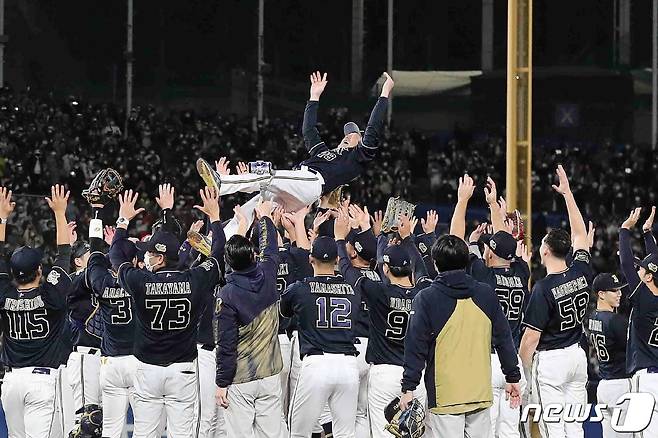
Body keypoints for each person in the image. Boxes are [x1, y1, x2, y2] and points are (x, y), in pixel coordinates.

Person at [196, 71, 394, 237]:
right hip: (299, 190)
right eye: (347, 133)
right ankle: (217, 240)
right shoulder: (326, 154)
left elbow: (373, 128)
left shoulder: (357, 158)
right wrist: (314, 97)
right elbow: (309, 132)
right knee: (255, 205)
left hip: (312, 183)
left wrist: (384, 94)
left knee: (269, 176)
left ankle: (223, 183)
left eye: (353, 134)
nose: (348, 136)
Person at [110, 185, 225, 437]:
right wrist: (215, 217)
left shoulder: (141, 280)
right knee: (181, 434)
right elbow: (217, 255)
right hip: (183, 370)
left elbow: (116, 254)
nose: (147, 255)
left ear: (160, 259)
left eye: (150, 252)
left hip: (148, 369)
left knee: (145, 432)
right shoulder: (195, 279)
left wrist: (122, 221)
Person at [400, 232, 522, 438]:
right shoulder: (486, 294)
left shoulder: (427, 298)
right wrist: (512, 376)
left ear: (436, 264)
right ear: (466, 262)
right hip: (479, 392)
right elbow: (504, 338)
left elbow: (415, 347)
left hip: (445, 396)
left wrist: (408, 387)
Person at [336, 211, 430, 438]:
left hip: (385, 373)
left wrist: (340, 240)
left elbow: (348, 272)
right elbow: (422, 269)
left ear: (386, 270)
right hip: (417, 374)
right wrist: (408, 239)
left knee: (383, 433)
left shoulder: (379, 291)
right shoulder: (424, 292)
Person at [451, 175, 530, 438]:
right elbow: (505, 242)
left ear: (490, 253)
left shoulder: (483, 278)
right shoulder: (522, 271)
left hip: (484, 362)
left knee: (481, 432)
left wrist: (464, 201)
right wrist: (493, 204)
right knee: (509, 432)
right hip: (512, 362)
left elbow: (454, 242)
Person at [519, 165, 592, 438]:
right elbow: (581, 235)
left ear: (545, 250)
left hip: (551, 361)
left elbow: (530, 341)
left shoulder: (542, 288)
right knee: (574, 428)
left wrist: (519, 372)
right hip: (577, 356)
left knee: (553, 430)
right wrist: (568, 194)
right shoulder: (582, 270)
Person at [0, 185, 73, 438]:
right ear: (40, 271)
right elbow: (64, 255)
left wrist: (2, 217)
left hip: (10, 383)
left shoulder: (4, 294)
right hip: (41, 381)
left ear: (11, 274)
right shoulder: (50, 296)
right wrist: (59, 212)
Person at [213, 199, 286, 438]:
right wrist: (264, 217)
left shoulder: (228, 294)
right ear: (253, 256)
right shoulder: (267, 274)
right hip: (270, 374)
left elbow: (226, 344)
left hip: (241, 378)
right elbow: (270, 248)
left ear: (229, 263)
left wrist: (221, 382)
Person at [281, 236, 360, 438]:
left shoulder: (300, 288)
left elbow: (284, 313)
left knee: (299, 433)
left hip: (317, 364)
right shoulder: (352, 288)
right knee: (345, 434)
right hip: (349, 365)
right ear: (336, 260)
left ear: (310, 259)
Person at [83, 197, 137, 438]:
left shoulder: (101, 280)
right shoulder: (141, 282)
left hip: (111, 364)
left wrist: (97, 211)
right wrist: (123, 225)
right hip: (139, 362)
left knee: (111, 430)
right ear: (134, 261)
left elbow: (94, 247)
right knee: (147, 428)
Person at [617, 206, 658, 437]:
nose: (638, 269)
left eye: (642, 269)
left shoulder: (643, 299)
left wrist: (624, 230)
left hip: (647, 379)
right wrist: (647, 234)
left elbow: (625, 263)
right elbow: (655, 263)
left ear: (650, 276)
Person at [585, 273, 631, 438]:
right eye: (614, 290)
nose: (619, 294)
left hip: (604, 385)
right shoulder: (616, 321)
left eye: (619, 290)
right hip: (621, 385)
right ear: (601, 294)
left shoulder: (592, 318)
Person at [66, 237, 103, 435]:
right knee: (85, 421)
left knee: (101, 422)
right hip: (84, 357)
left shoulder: (102, 278)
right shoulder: (72, 280)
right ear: (78, 261)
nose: (98, 257)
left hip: (105, 358)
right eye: (91, 254)